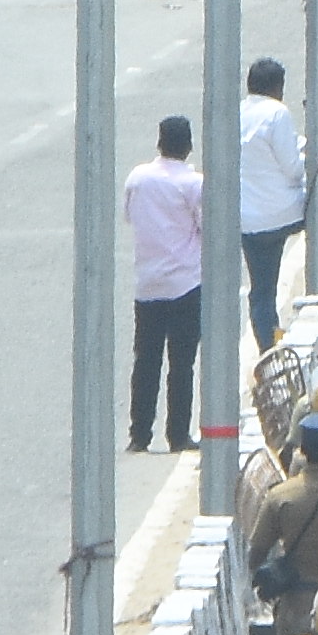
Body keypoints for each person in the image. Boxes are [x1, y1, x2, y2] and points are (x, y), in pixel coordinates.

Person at [120, 116, 204, 451]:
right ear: (188, 146)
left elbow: (129, 216)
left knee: (146, 361)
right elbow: (205, 225)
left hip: (148, 282)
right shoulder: (193, 183)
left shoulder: (138, 178)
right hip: (185, 282)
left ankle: (139, 434)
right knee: (181, 364)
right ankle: (178, 435)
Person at [236, 59, 308, 351]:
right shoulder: (277, 113)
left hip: (249, 221)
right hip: (284, 213)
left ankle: (267, 347)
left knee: (261, 290)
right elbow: (293, 169)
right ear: (278, 87)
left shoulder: (236, 112)